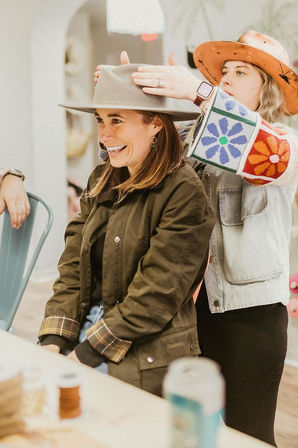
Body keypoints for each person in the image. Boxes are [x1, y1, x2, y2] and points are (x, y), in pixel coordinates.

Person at [96, 30, 298, 445]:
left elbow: (264, 153)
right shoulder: (193, 136)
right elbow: (127, 164)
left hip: (251, 316)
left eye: (241, 71)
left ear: (267, 90)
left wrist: (199, 92)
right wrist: (125, 104)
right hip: (187, 310)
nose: (226, 78)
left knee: (249, 435)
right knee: (192, 430)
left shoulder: (288, 144)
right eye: (223, 71)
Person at [38, 64, 215, 397]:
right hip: (87, 329)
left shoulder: (183, 191)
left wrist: (82, 355)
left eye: (116, 120)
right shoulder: (100, 178)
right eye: (101, 120)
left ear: (155, 125)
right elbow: (73, 269)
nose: (104, 134)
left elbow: (155, 295)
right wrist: (53, 340)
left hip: (144, 347)